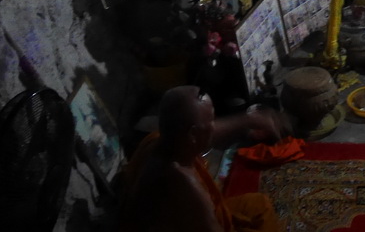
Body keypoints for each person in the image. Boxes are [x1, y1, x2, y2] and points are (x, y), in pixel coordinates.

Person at [120, 85, 290, 232]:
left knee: (258, 206)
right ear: (193, 134)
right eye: (211, 121)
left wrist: (249, 120)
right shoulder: (185, 183)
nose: (214, 126)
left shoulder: (161, 139)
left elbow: (207, 133)